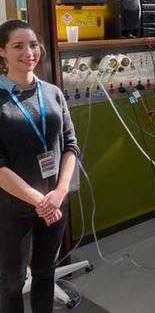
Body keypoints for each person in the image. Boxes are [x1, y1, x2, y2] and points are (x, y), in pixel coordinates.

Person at [0, 20, 79, 313]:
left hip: (55, 203)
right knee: (12, 281)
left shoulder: (53, 93)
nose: (28, 53)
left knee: (45, 273)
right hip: (12, 208)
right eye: (18, 46)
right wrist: (42, 202)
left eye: (33, 45)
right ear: (2, 52)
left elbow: (71, 145)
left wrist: (58, 193)